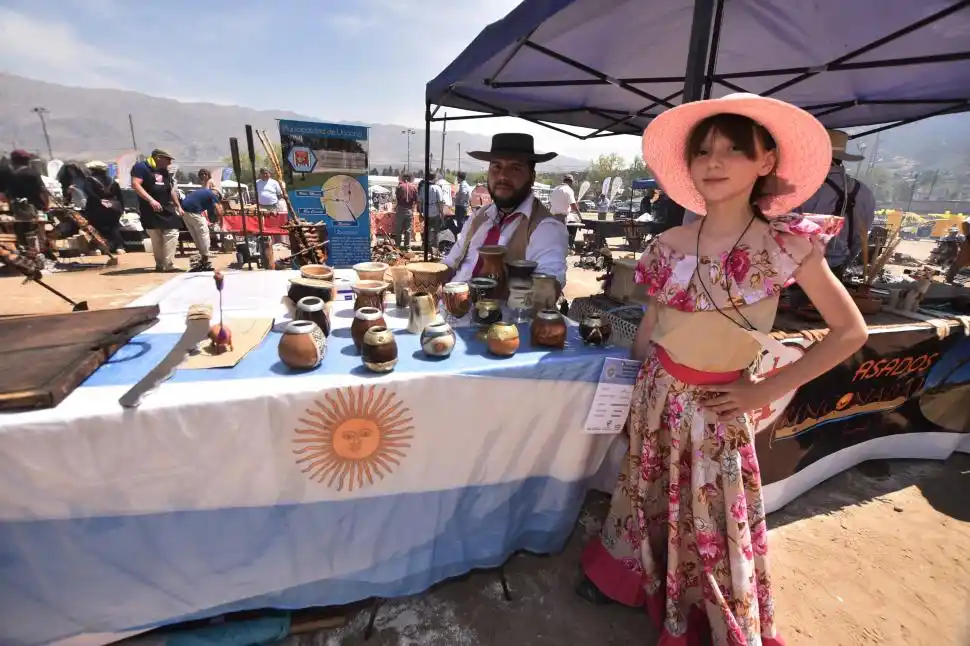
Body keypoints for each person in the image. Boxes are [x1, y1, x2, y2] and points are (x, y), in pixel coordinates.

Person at [576, 94, 868, 645]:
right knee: (643, 491)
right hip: (656, 392)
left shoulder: (788, 246)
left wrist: (771, 387)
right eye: (703, 150)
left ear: (766, 162)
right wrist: (632, 387)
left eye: (734, 150)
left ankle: (702, 611)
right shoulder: (667, 244)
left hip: (717, 408)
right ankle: (629, 576)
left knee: (710, 520)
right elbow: (653, 324)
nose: (714, 161)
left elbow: (849, 331)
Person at [442, 133, 569, 289]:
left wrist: (496, 291)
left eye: (515, 168)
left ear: (532, 176)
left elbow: (548, 287)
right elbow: (450, 263)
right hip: (446, 310)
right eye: (496, 166)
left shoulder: (546, 227)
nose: (503, 176)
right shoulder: (479, 216)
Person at [797, 129, 876, 281]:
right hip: (835, 270)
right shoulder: (863, 193)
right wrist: (843, 262)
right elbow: (860, 239)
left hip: (798, 270)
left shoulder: (801, 189)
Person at [130, 148, 183, 272]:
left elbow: (170, 189)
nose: (170, 163)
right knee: (155, 235)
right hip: (149, 206)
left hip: (166, 206)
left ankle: (168, 263)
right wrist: (151, 200)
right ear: (158, 157)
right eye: (168, 159)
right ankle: (160, 264)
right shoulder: (141, 167)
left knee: (173, 231)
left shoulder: (164, 171)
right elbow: (135, 184)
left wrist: (178, 205)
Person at [5, 150, 49, 253]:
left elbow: (4, 195)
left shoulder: (8, 175)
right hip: (34, 207)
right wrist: (47, 204)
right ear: (27, 161)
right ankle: (39, 253)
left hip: (15, 209)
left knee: (20, 232)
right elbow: (43, 191)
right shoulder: (32, 173)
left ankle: (25, 253)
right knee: (37, 232)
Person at [83, 160, 126, 254]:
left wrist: (99, 201)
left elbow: (89, 193)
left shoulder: (89, 180)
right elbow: (119, 195)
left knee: (95, 228)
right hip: (113, 208)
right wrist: (121, 208)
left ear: (92, 170)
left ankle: (97, 248)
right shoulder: (112, 180)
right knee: (114, 227)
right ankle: (119, 247)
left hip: (96, 208)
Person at [181, 188, 223, 271]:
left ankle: (202, 257)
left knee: (196, 234)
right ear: (217, 194)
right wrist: (221, 224)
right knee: (204, 232)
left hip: (184, 211)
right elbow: (219, 211)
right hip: (193, 211)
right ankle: (205, 254)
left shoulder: (203, 192)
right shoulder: (213, 194)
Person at [551, 174, 583, 248]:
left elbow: (554, 203)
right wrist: (580, 216)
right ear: (571, 182)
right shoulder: (568, 190)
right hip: (562, 217)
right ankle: (569, 245)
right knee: (573, 224)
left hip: (552, 216)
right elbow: (573, 206)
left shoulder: (555, 189)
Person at [417, 172, 446, 251]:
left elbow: (419, 202)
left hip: (426, 213)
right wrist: (442, 212)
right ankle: (434, 249)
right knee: (435, 231)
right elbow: (440, 202)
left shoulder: (423, 188)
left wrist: (420, 212)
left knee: (427, 229)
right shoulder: (437, 188)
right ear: (435, 178)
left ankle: (425, 247)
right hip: (435, 212)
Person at [394, 173, 418, 250]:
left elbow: (397, 198)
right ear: (410, 178)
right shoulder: (414, 187)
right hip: (409, 209)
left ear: (403, 178)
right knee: (408, 229)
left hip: (400, 209)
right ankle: (407, 247)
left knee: (398, 229)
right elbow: (417, 200)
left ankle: (397, 245)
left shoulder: (399, 186)